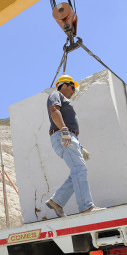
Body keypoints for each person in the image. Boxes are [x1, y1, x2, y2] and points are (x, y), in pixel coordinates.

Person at [45, 74, 104, 217]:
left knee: (77, 171)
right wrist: (64, 131)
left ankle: (57, 201)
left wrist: (79, 146)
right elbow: (54, 111)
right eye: (72, 87)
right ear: (64, 85)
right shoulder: (55, 94)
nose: (74, 91)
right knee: (80, 169)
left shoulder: (63, 98)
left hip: (67, 136)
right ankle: (86, 206)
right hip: (63, 135)